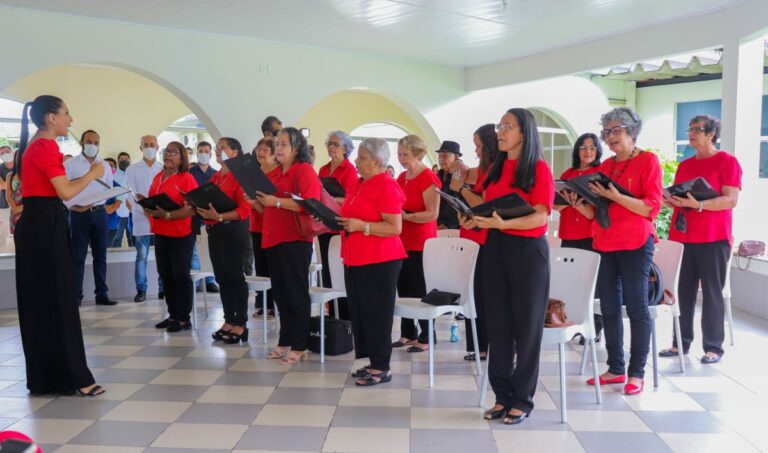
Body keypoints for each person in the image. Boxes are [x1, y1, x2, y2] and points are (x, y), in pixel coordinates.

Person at [460, 108, 554, 425]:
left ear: (524, 133)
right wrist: (472, 219)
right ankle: (501, 395)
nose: (500, 132)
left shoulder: (538, 168)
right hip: (495, 247)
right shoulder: (496, 169)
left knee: (526, 327)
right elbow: (487, 208)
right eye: (500, 126)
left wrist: (506, 223)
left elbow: (541, 216)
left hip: (527, 251)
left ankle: (522, 399)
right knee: (498, 325)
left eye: (507, 126)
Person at [14, 94, 106, 397]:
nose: (71, 119)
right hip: (45, 228)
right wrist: (93, 174)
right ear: (51, 117)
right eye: (66, 113)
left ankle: (47, 377)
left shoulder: (33, 145)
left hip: (38, 224)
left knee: (43, 302)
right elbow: (65, 191)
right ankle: (76, 377)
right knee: (60, 300)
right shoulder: (46, 146)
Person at [581, 107, 662, 396]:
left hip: (636, 243)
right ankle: (615, 368)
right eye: (607, 132)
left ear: (632, 131)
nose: (610, 137)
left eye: (616, 130)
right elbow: (598, 212)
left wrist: (615, 196)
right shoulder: (605, 166)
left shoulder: (648, 160)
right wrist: (578, 202)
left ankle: (637, 372)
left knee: (637, 307)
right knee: (609, 308)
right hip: (605, 241)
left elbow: (651, 208)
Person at [660, 115, 742, 364]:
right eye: (690, 128)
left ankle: (713, 347)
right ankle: (679, 343)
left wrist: (700, 205)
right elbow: (681, 200)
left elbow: (731, 200)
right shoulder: (685, 166)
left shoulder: (727, 161)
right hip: (683, 237)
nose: (691, 133)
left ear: (711, 134)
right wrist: (669, 199)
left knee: (712, 292)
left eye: (697, 129)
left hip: (713, 237)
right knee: (682, 292)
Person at [339, 138, 406, 386]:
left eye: (362, 158)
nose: (356, 161)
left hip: (380, 259)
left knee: (377, 314)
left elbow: (394, 227)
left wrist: (362, 227)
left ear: (377, 162)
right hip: (355, 257)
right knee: (361, 312)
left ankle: (382, 367)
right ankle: (373, 361)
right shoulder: (359, 184)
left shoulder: (386, 185)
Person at [255, 127, 321, 365]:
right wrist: (255, 202)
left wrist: (277, 202)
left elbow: (310, 203)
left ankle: (300, 344)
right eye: (278, 144)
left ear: (296, 147)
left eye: (284, 144)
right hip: (273, 238)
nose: (279, 148)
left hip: (295, 240)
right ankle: (284, 341)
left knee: (295, 293)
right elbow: (267, 209)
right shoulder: (276, 173)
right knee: (281, 295)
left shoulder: (303, 170)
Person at [448, 124, 499, 362]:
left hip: (486, 238)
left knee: (485, 294)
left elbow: (485, 203)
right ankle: (477, 345)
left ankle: (488, 345)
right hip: (471, 236)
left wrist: (462, 190)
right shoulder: (481, 169)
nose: (476, 150)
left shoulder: (496, 170)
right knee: (473, 292)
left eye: (478, 146)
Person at [197, 137, 251, 344]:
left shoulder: (241, 176)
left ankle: (241, 323)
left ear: (235, 152)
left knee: (235, 277)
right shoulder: (217, 176)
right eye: (217, 147)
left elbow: (244, 210)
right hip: (215, 231)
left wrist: (219, 216)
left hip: (234, 231)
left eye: (223, 147)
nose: (218, 150)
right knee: (222, 278)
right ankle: (228, 320)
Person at [392, 134, 441, 352]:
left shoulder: (428, 177)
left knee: (420, 290)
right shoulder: (402, 176)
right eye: (399, 154)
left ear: (419, 154)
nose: (401, 159)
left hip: (421, 241)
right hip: (401, 239)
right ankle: (407, 332)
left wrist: (407, 217)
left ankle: (427, 335)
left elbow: (432, 213)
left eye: (405, 154)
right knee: (403, 288)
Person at [144, 141, 198, 332]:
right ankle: (173, 314)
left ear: (182, 157)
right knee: (166, 275)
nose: (168, 155)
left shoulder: (187, 178)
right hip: (161, 232)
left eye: (174, 152)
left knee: (179, 276)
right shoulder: (158, 176)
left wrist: (167, 214)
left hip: (180, 234)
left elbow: (191, 209)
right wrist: (147, 207)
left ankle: (183, 318)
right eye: (167, 151)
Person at [555, 133, 603, 344]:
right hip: (568, 234)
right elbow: (556, 205)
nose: (587, 151)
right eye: (583, 147)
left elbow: (594, 214)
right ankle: (573, 323)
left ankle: (595, 327)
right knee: (571, 282)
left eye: (592, 148)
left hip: (590, 236)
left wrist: (577, 204)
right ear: (577, 151)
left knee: (592, 284)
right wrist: (568, 201)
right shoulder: (568, 174)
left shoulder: (599, 174)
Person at [64, 130, 118, 306]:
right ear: (81, 142)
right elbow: (65, 191)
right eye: (89, 141)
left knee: (100, 256)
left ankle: (102, 294)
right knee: (77, 257)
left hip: (100, 214)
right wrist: (76, 205)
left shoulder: (104, 165)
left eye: (96, 142)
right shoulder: (70, 164)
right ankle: (75, 296)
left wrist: (101, 203)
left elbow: (108, 189)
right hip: (79, 214)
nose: (92, 145)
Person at [318, 130, 358, 319]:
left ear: (345, 148)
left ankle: (344, 316)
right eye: (330, 143)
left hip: (340, 225)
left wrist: (330, 198)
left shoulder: (349, 170)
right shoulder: (324, 169)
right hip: (324, 223)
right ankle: (331, 313)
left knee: (338, 270)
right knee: (326, 270)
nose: (331, 147)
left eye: (335, 144)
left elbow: (351, 199)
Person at [126, 135, 164, 302]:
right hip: (141, 219)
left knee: (162, 256)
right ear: (140, 148)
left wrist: (156, 211)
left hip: (160, 218)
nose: (149, 147)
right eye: (146, 145)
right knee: (141, 256)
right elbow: (130, 194)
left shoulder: (163, 168)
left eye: (152, 144)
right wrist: (144, 209)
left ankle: (163, 288)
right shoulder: (132, 169)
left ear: (157, 147)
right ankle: (141, 289)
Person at [247, 138, 280, 318]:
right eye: (259, 149)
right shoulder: (254, 173)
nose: (261, 152)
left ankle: (275, 305)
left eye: (265, 149)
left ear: (274, 153)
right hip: (257, 224)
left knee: (273, 266)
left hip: (273, 225)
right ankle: (262, 303)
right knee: (260, 267)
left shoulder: (278, 173)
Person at [189, 141, 219, 293]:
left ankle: (210, 281)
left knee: (209, 252)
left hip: (212, 217)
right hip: (194, 217)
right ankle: (195, 283)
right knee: (194, 252)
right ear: (197, 153)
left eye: (206, 151)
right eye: (200, 151)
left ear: (211, 154)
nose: (203, 153)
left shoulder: (216, 173)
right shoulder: (190, 172)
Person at [435, 140, 467, 230]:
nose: (441, 159)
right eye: (439, 156)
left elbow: (460, 203)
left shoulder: (462, 175)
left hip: (452, 229)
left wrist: (446, 225)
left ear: (456, 157)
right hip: (435, 224)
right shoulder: (437, 176)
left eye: (445, 156)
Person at [111, 152, 133, 247]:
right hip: (119, 212)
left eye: (126, 159)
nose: (124, 161)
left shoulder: (133, 173)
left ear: (130, 160)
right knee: (116, 238)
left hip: (132, 211)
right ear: (118, 161)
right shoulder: (113, 175)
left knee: (133, 237)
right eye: (122, 159)